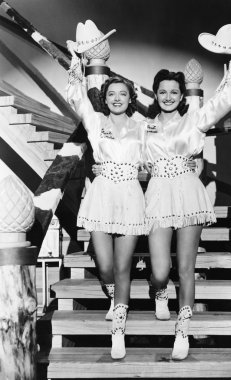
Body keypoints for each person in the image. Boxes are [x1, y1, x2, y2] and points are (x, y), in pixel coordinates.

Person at [144, 49, 231, 360]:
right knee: (161, 269)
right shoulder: (144, 126)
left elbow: (225, 99)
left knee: (186, 269)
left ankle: (182, 330)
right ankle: (159, 289)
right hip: (158, 194)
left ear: (181, 95)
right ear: (156, 94)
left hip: (188, 195)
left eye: (174, 91)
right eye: (162, 91)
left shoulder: (194, 120)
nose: (168, 96)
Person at [66, 45, 147, 360]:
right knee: (105, 264)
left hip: (129, 196)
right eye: (111, 94)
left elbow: (163, 152)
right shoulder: (96, 122)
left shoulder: (142, 128)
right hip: (101, 197)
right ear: (106, 98)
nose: (116, 98)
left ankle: (118, 333)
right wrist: (77, 63)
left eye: (122, 94)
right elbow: (76, 96)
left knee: (124, 266)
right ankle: (113, 292)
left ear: (130, 99)